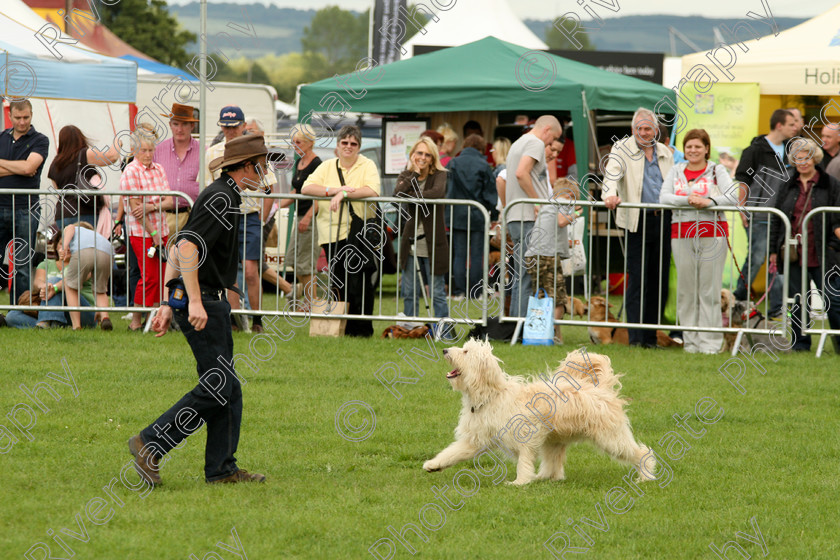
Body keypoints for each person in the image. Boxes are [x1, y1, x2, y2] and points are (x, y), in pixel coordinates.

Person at [128, 134, 270, 486]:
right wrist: (191, 300)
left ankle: (221, 469)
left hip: (207, 298)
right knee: (219, 386)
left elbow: (178, 246)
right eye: (261, 165)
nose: (265, 171)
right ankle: (150, 443)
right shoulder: (221, 197)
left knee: (227, 387)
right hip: (203, 300)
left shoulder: (226, 195)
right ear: (246, 167)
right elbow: (188, 246)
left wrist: (166, 301)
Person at [660, 129, 737, 354]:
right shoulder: (676, 170)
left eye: (697, 146)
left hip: (713, 234)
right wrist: (688, 200)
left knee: (709, 291)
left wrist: (708, 201)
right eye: (689, 146)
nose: (693, 150)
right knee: (686, 291)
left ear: (706, 149)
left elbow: (732, 196)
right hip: (682, 234)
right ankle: (691, 343)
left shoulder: (717, 170)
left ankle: (710, 344)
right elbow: (663, 197)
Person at [603, 108, 675, 348]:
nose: (644, 132)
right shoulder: (621, 149)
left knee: (659, 279)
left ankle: (650, 336)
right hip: (636, 220)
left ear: (656, 130)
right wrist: (610, 194)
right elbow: (611, 175)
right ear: (632, 130)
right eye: (639, 128)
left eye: (648, 128)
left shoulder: (665, 152)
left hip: (664, 219)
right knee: (637, 279)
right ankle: (635, 337)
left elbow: (675, 183)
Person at [301, 125, 381, 337]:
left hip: (359, 233)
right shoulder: (327, 166)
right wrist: (335, 190)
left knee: (362, 279)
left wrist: (344, 196)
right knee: (339, 281)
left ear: (359, 147)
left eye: (353, 143)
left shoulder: (368, 165)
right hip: (331, 233)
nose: (348, 147)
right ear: (337, 146)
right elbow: (306, 188)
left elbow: (372, 190)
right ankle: (341, 328)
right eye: (344, 143)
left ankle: (362, 329)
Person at [768, 138, 840, 353]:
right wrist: (773, 250)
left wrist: (834, 247)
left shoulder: (831, 183)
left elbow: (837, 218)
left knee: (834, 300)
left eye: (807, 157)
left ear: (815, 158)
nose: (803, 162)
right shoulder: (786, 185)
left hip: (823, 253)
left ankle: (839, 342)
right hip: (794, 253)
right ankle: (800, 344)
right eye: (798, 158)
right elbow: (776, 219)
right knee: (798, 302)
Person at [206, 106, 268, 332]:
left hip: (249, 215)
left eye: (234, 126)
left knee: (251, 270)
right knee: (229, 270)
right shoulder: (212, 152)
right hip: (225, 216)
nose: (229, 130)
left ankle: (257, 319)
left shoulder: (254, 149)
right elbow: (207, 186)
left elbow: (268, 185)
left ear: (243, 126)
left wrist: (262, 216)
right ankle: (233, 320)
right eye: (225, 126)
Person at [732, 109, 797, 316]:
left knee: (777, 260)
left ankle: (776, 309)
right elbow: (743, 181)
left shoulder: (791, 150)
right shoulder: (755, 150)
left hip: (782, 218)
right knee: (757, 258)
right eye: (790, 124)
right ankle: (738, 299)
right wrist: (743, 209)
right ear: (779, 125)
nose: (794, 128)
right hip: (759, 215)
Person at [505, 115, 563, 317]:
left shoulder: (518, 143)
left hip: (516, 216)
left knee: (519, 276)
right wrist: (537, 201)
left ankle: (514, 325)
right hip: (527, 217)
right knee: (526, 277)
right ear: (547, 130)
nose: (551, 144)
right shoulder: (535, 143)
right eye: (552, 138)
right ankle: (520, 327)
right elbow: (522, 173)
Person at [120, 129, 173, 331]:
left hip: (163, 229)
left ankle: (157, 320)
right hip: (142, 233)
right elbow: (135, 209)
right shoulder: (130, 172)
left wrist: (151, 206)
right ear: (135, 150)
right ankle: (136, 321)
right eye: (144, 150)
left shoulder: (159, 169)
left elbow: (169, 201)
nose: (148, 154)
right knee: (149, 276)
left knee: (163, 276)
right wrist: (153, 234)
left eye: (151, 150)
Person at [0, 99, 49, 306]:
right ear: (10, 116)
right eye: (18, 118)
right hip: (1, 205)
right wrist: (20, 167)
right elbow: (26, 168)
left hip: (26, 209)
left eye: (26, 117)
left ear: (32, 114)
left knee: (22, 263)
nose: (22, 122)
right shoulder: (1, 138)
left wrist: (9, 166)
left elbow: (30, 168)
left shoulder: (41, 140)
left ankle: (18, 310)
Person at [396, 138, 450, 326]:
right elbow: (396, 196)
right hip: (410, 241)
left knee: (437, 291)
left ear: (433, 157)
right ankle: (411, 329)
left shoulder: (440, 175)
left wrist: (410, 196)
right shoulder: (406, 175)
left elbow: (436, 193)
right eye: (419, 153)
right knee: (409, 291)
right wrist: (414, 174)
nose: (423, 157)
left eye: (427, 154)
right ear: (412, 155)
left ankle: (443, 331)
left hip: (434, 241)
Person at [4, 230, 96, 329]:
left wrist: (54, 287)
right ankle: (53, 324)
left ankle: (45, 321)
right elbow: (37, 282)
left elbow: (70, 281)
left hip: (82, 312)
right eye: (62, 244)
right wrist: (44, 286)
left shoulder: (84, 264)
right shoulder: (45, 264)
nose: (66, 248)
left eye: (71, 244)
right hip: (51, 306)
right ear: (56, 246)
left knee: (54, 281)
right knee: (12, 316)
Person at [525, 177, 579, 344]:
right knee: (558, 298)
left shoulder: (549, 204)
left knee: (541, 295)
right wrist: (576, 213)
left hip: (535, 255)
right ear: (570, 194)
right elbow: (562, 221)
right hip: (548, 256)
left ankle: (542, 332)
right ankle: (551, 332)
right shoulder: (564, 202)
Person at [446, 133, 498, 299]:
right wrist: (494, 214)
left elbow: (449, 190)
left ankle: (459, 291)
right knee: (477, 255)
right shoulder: (484, 165)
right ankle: (476, 292)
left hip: (457, 213)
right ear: (481, 148)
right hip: (478, 214)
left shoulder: (453, 162)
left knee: (459, 254)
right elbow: (490, 193)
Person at [282, 124, 323, 309]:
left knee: (306, 263)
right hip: (300, 217)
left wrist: (307, 218)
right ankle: (304, 294)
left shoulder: (317, 164)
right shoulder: (299, 163)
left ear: (309, 143)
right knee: (293, 260)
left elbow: (318, 197)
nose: (294, 145)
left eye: (298, 141)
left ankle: (310, 301)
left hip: (311, 218)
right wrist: (275, 206)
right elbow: (295, 191)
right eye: (293, 142)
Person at [48, 125, 120, 228]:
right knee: (87, 243)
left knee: (67, 244)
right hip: (84, 213)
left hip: (62, 215)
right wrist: (118, 143)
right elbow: (111, 157)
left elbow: (58, 192)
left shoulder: (54, 164)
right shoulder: (85, 154)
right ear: (80, 138)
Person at [56, 222, 114, 330]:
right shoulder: (95, 236)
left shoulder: (75, 229)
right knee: (100, 290)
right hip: (107, 251)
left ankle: (76, 325)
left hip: (84, 251)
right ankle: (105, 316)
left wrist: (64, 247)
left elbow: (70, 228)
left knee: (70, 286)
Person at [155, 103, 200, 237]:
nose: (179, 129)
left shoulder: (204, 151)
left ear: (192, 126)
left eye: (184, 124)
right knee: (165, 256)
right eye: (176, 124)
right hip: (164, 216)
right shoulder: (158, 150)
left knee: (190, 256)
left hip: (192, 216)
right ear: (170, 125)